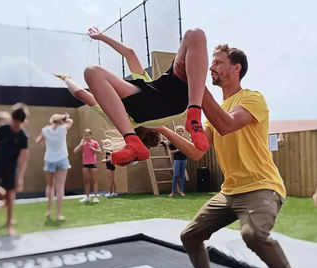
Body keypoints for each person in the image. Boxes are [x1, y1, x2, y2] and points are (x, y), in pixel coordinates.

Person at [157, 42, 306, 268]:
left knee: (252, 235)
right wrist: (161, 127)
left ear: (236, 69)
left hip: (262, 186)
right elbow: (197, 151)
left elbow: (227, 124)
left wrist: (196, 82)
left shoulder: (252, 98)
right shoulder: (218, 109)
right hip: (229, 193)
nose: (211, 66)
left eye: (217, 62)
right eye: (209, 63)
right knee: (190, 235)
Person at [84, 26, 210, 166]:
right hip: (170, 100)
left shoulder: (119, 112)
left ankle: (131, 141)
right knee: (195, 34)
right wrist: (102, 37)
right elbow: (129, 53)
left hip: (167, 94)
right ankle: (194, 116)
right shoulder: (122, 114)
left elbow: (130, 54)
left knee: (193, 34)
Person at [52, 29, 160, 157]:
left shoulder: (153, 103)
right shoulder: (121, 120)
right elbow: (80, 93)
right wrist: (66, 79)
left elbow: (130, 53)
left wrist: (102, 37)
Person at [0, 103, 29, 236]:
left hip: (10, 167)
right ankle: (4, 199)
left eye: (18, 123)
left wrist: (20, 177)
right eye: (13, 121)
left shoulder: (23, 136)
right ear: (12, 119)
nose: (15, 125)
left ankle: (9, 224)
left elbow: (24, 158)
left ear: (22, 121)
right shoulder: (3, 129)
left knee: (11, 195)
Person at [36, 113, 73, 221]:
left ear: (51, 120)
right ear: (60, 121)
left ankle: (49, 210)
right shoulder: (63, 128)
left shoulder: (45, 130)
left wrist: (46, 137)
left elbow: (38, 141)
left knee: (50, 185)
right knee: (60, 187)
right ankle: (58, 214)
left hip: (49, 159)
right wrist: (64, 118)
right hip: (62, 159)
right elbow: (70, 121)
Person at [74, 128, 101, 203]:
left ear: (91, 135)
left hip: (93, 164)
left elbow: (100, 152)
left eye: (88, 135)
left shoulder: (95, 143)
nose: (87, 137)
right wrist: (80, 144)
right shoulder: (83, 143)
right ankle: (87, 197)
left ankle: (95, 197)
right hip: (85, 164)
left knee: (95, 180)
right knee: (86, 181)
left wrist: (92, 148)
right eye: (85, 135)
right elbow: (75, 151)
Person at [168, 126, 188, 197]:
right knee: (176, 175)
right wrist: (178, 150)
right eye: (178, 131)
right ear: (176, 132)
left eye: (181, 131)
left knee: (182, 176)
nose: (180, 132)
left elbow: (188, 150)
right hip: (177, 160)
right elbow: (170, 152)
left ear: (183, 132)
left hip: (184, 159)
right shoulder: (173, 142)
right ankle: (172, 192)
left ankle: (182, 192)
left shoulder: (185, 141)